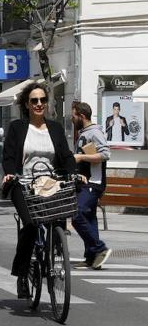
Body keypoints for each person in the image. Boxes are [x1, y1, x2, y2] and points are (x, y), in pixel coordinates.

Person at [2, 83, 76, 299]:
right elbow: (8, 156)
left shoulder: (55, 128)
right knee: (32, 225)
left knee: (58, 221)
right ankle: (22, 274)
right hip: (22, 183)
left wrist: (75, 172)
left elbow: (66, 155)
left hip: (50, 183)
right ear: (27, 104)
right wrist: (9, 173)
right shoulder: (17, 127)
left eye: (42, 100)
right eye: (34, 100)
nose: (39, 104)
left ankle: (54, 253)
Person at [71, 102, 112, 269]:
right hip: (87, 182)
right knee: (89, 218)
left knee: (77, 214)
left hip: (93, 183)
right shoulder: (84, 133)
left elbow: (105, 154)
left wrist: (81, 158)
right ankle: (92, 258)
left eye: (73, 116)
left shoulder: (94, 132)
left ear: (81, 116)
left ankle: (99, 248)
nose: (72, 119)